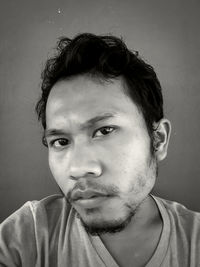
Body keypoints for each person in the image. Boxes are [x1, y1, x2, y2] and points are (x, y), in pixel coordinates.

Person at [0, 33, 199, 267]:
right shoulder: (29, 233)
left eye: (105, 131)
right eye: (61, 142)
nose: (78, 168)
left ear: (158, 139)